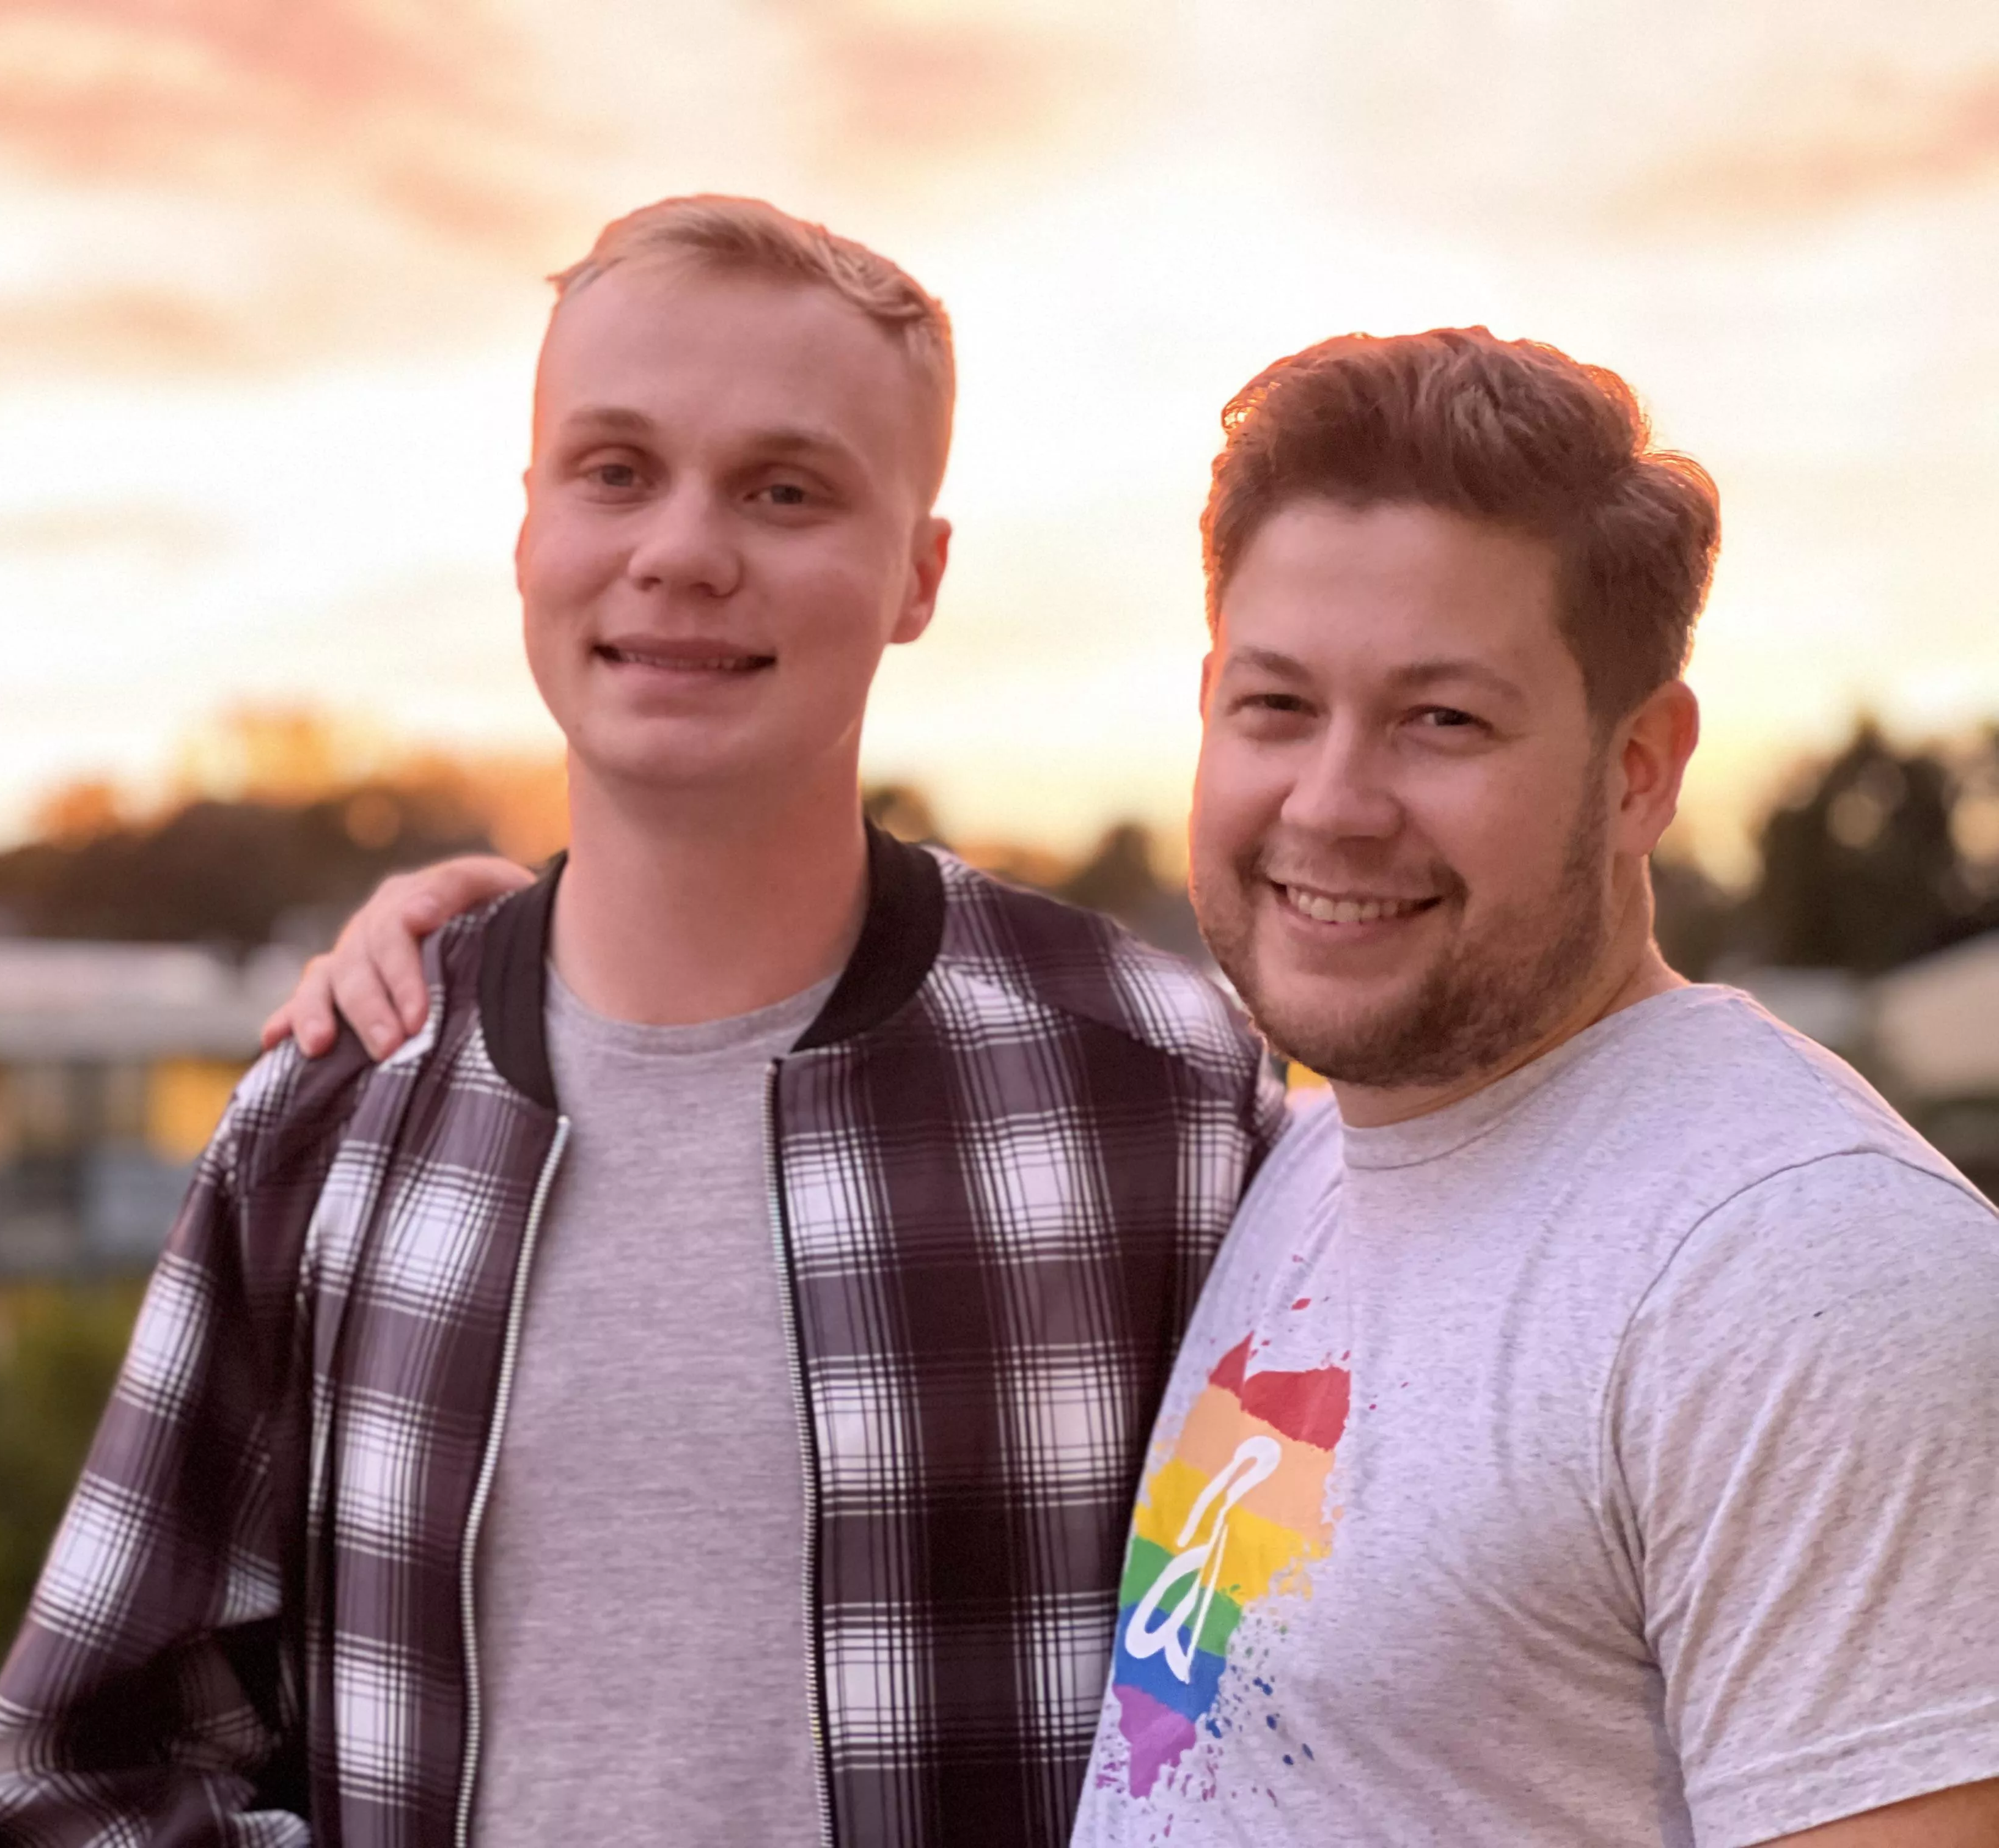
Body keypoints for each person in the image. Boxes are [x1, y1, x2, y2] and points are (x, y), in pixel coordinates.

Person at [288, 329, 1999, 1846]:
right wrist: (535, 941)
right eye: (1278, 707)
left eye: (1442, 722)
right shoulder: (1289, 1165)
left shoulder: (1800, 1271)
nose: (1331, 804)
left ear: (1639, 770)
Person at [0, 196, 1279, 1848]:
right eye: (615, 470)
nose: (682, 552)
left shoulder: (1161, 1097)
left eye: (785, 490)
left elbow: (1286, 1709)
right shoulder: (332, 1114)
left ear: (919, 576)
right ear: (528, 530)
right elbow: (77, 1773)